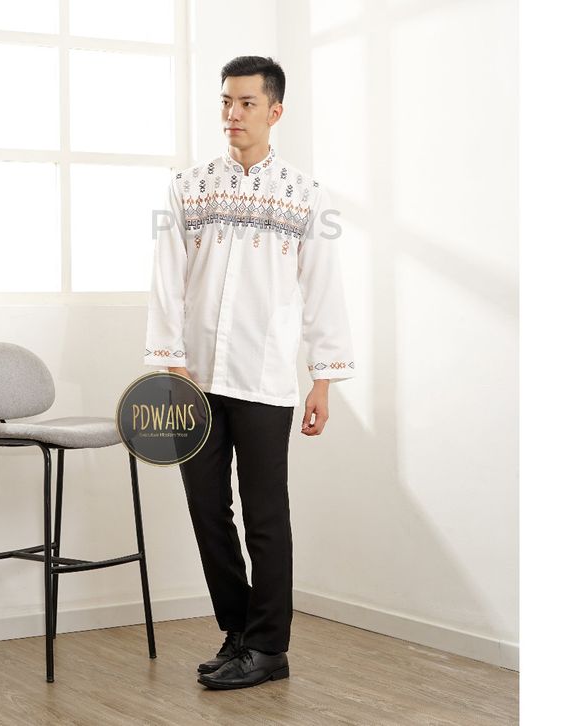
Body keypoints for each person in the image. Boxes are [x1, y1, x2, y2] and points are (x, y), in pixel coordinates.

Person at [144, 55, 355, 690]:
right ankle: (238, 633)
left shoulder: (306, 196)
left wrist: (323, 379)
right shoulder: (189, 188)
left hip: (264, 379)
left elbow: (323, 290)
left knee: (266, 516)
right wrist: (170, 362)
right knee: (206, 508)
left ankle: (269, 648)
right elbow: (166, 280)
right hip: (194, 379)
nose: (232, 114)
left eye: (246, 103)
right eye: (226, 102)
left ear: (275, 111)